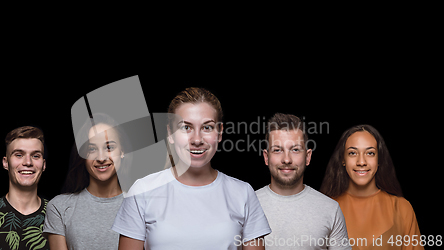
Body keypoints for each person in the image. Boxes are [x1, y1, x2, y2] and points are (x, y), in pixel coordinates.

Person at [112, 87, 271, 250]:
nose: (196, 139)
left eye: (207, 127)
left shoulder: (243, 193)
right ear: (170, 133)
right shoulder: (142, 191)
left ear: (220, 132)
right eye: (185, 127)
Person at [255, 113, 350, 249]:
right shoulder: (246, 206)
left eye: (295, 150)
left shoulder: (331, 210)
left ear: (307, 156)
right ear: (266, 157)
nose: (286, 159)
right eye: (277, 150)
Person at [320, 125, 423, 250]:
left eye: (370, 153)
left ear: (379, 160)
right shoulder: (325, 209)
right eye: (352, 153)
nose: (361, 162)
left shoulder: (401, 208)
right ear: (343, 159)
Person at [43, 113, 126, 249]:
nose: (101, 157)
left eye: (109, 147)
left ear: (122, 151)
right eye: (92, 149)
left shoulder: (140, 204)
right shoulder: (60, 207)